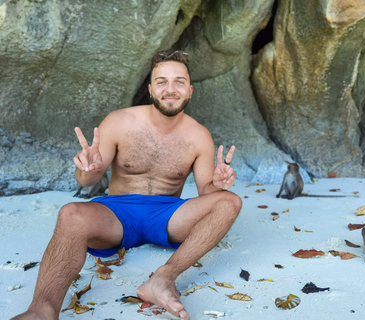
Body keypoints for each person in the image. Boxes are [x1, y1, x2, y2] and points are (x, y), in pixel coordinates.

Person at [13, 50, 242, 320]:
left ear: (189, 90)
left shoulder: (199, 135)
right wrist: (86, 168)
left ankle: (163, 278)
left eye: (179, 81)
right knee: (71, 213)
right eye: (162, 81)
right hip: (116, 214)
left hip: (168, 215)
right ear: (150, 89)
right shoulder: (119, 122)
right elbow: (86, 181)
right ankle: (42, 309)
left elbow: (207, 193)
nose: (171, 89)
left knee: (230, 202)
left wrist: (218, 184)